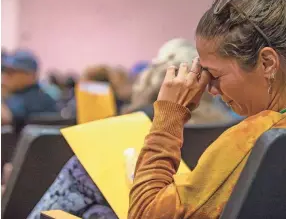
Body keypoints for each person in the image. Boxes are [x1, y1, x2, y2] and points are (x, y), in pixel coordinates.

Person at [128, 0, 286, 219]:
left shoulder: (255, 140)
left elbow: (144, 212)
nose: (211, 89)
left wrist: (170, 114)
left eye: (215, 75)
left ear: (267, 63)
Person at [27, 39, 231, 219]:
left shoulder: (139, 123)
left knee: (80, 169)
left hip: (152, 206)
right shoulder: (232, 128)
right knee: (95, 212)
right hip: (195, 207)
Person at [1, 50, 58, 128]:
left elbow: (6, 117)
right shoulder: (14, 94)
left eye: (11, 72)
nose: (5, 76)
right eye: (3, 71)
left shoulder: (40, 100)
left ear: (31, 75)